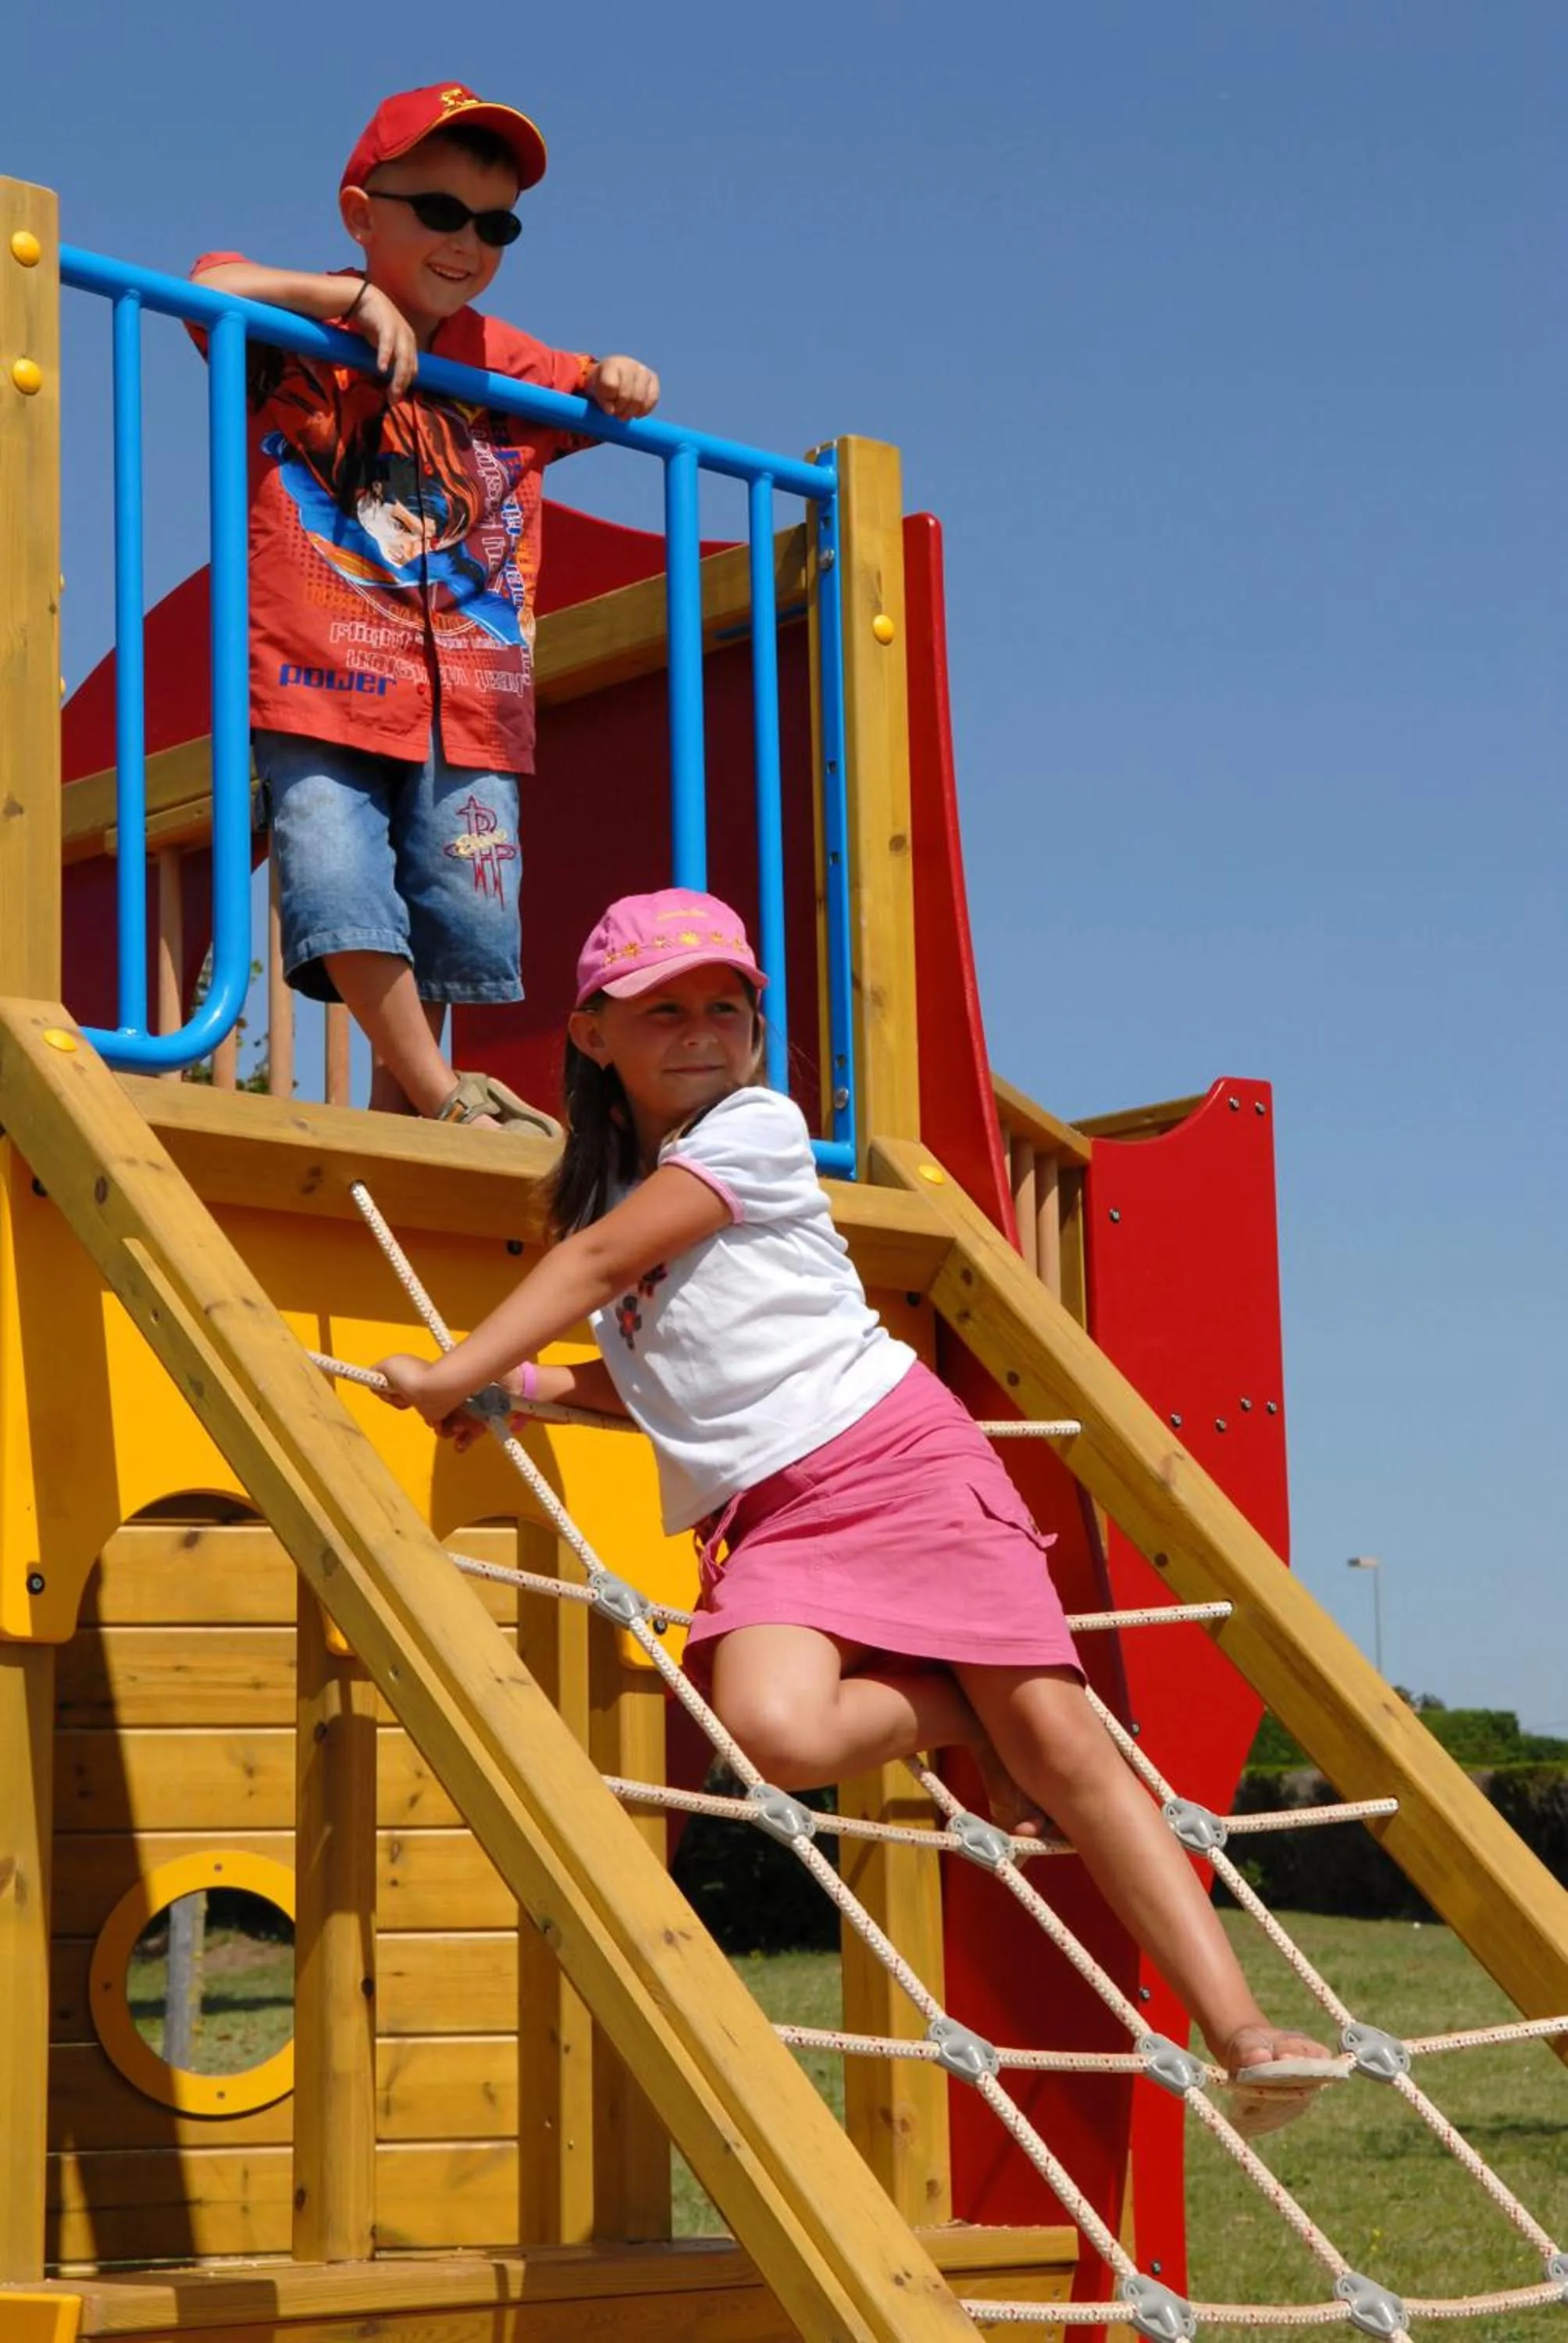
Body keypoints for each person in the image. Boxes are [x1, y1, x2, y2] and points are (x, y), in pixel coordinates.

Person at [374, 888, 1338, 2127]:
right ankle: (959, 1712)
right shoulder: (619, 1187)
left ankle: (1244, 2032)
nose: (701, 1031)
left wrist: (450, 1368)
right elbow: (667, 1369)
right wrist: (528, 1389)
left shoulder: (755, 1132)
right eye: (662, 1010)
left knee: (1067, 1749)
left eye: (726, 1006)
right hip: (774, 1518)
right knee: (772, 1733)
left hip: (898, 1462)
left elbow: (599, 1269)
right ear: (592, 1033)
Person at [191, 84, 661, 1131]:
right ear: (362, 214)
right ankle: (446, 1095)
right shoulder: (298, 333)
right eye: (439, 213)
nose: (468, 243)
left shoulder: (502, 359)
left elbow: (598, 385)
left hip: (470, 691)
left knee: (463, 904)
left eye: (495, 225)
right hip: (322, 674)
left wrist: (623, 379)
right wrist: (352, 302)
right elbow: (206, 282)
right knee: (330, 859)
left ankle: (410, 1110)